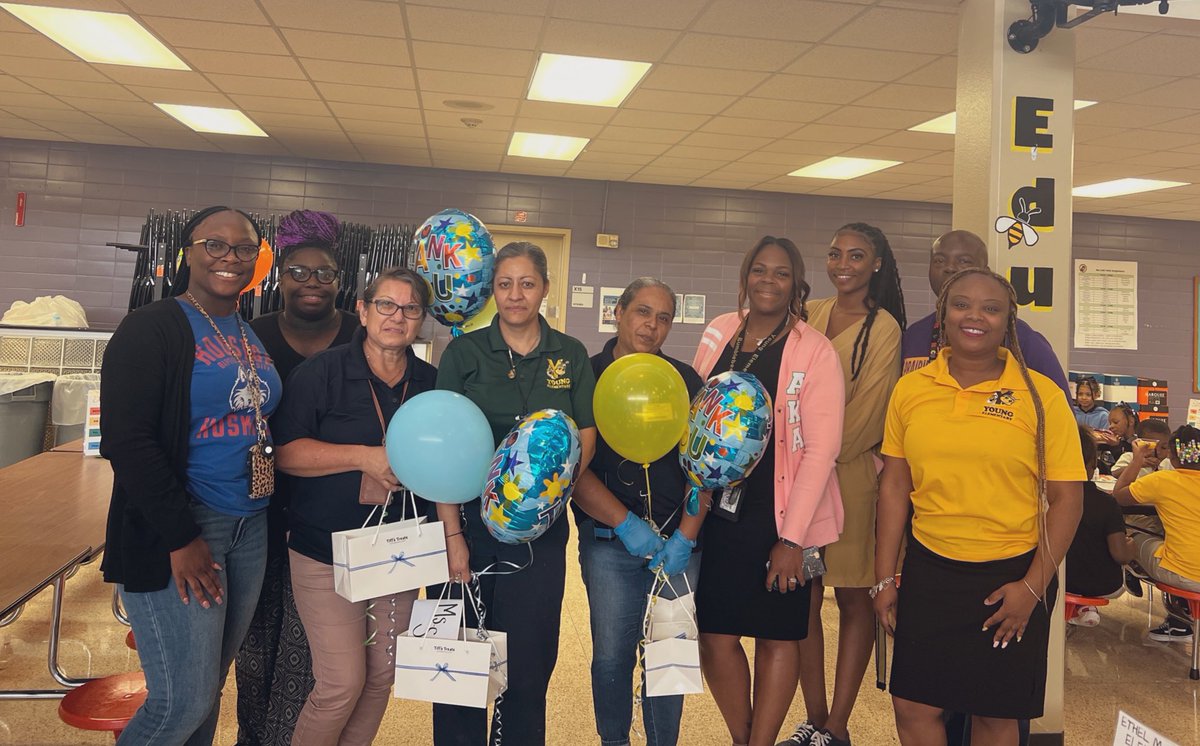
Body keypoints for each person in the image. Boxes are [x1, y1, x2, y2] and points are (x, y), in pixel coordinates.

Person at [874, 267, 1084, 746]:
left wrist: (1032, 588)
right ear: (942, 316)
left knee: (994, 713)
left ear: (1008, 319)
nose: (975, 316)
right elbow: (894, 488)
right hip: (930, 570)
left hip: (1011, 575)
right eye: (962, 304)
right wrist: (884, 576)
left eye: (990, 308)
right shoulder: (911, 388)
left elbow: (1068, 500)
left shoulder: (1041, 396)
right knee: (912, 705)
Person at [100, 205, 282, 745]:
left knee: (207, 690)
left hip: (250, 524)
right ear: (187, 252)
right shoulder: (151, 328)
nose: (230, 258)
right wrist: (181, 538)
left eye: (244, 248)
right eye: (215, 245)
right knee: (181, 702)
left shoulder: (244, 331)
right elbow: (128, 443)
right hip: (183, 527)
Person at [432, 241, 598, 746]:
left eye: (527, 283)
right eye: (504, 284)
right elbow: (442, 449)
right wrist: (452, 534)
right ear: (492, 290)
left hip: (539, 535)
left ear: (545, 288)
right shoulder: (464, 353)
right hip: (468, 529)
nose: (515, 295)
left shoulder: (569, 355)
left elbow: (584, 437)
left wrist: (540, 495)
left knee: (528, 663)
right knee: (459, 666)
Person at [271, 267, 436, 745]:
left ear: (421, 319)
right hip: (325, 551)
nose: (396, 316)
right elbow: (284, 453)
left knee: (382, 677)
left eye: (410, 309)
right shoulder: (321, 373)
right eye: (386, 304)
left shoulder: (431, 383)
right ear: (362, 311)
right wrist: (363, 457)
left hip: (400, 552)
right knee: (342, 682)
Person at [692, 236, 845, 746]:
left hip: (782, 515)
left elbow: (822, 451)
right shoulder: (719, 332)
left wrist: (793, 540)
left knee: (777, 636)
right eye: (760, 270)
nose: (768, 281)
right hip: (720, 513)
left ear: (796, 285)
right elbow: (698, 417)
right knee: (715, 636)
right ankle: (743, 738)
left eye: (781, 273)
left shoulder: (814, 350)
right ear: (745, 276)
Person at [238, 209, 360, 746]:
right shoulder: (251, 336)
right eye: (299, 272)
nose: (311, 283)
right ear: (279, 277)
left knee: (318, 653)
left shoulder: (362, 335)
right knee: (258, 642)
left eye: (324, 274)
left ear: (341, 282)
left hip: (337, 516)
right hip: (259, 508)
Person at [570, 277, 706, 746]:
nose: (652, 326)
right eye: (642, 312)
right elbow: (572, 471)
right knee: (612, 657)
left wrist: (687, 535)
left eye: (663, 317)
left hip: (678, 547)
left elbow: (706, 468)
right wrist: (625, 524)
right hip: (610, 545)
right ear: (618, 313)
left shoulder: (687, 381)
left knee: (669, 657)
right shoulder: (586, 377)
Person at [784, 223, 904, 746]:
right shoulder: (808, 315)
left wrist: (813, 451)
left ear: (877, 263)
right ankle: (813, 717)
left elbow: (869, 415)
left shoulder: (884, 329)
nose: (843, 263)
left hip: (850, 478)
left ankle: (839, 722)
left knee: (854, 599)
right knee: (804, 598)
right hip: (796, 482)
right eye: (835, 253)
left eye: (857, 255)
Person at [901, 230, 1069, 398]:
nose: (949, 268)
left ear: (985, 271)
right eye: (939, 260)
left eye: (963, 261)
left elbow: (1059, 408)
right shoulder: (914, 335)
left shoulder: (1023, 339)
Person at [1112, 425, 1200, 643]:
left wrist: (1137, 461)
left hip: (1184, 574)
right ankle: (1181, 616)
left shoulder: (1164, 481)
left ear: (1171, 453)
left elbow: (1118, 497)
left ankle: (1129, 571)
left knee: (1131, 534)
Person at [1065, 425, 1135, 628]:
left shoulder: (1044, 500)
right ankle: (1085, 605)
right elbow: (1120, 555)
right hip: (1104, 584)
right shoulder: (1107, 503)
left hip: (1055, 581)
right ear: (1093, 464)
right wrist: (1132, 546)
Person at [1096, 402, 1138, 476]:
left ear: (1131, 421)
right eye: (1110, 423)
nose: (1110, 426)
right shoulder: (1112, 440)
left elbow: (1124, 468)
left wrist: (1116, 447)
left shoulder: (1139, 444)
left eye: (1115, 422)